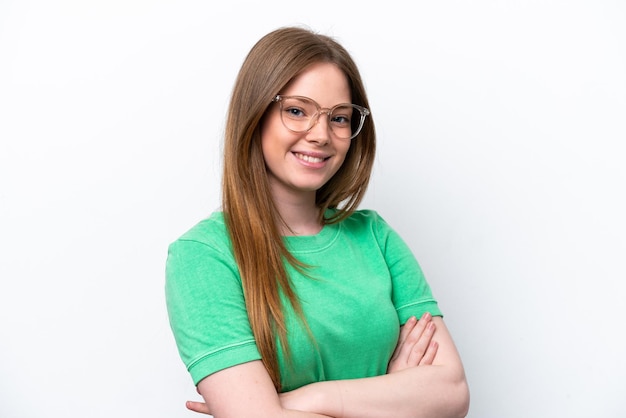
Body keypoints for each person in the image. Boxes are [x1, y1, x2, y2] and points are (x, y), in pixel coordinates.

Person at [165, 26, 470, 418]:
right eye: (296, 111)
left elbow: (452, 391)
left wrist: (310, 400)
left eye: (339, 118)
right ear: (255, 115)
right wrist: (394, 394)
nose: (321, 135)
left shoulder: (374, 236)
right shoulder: (203, 256)